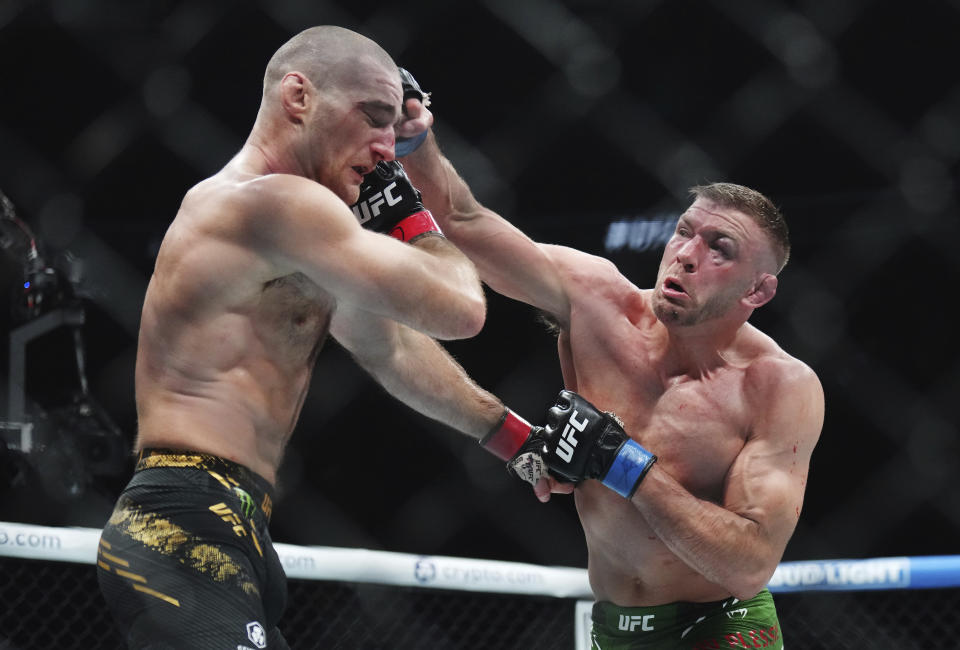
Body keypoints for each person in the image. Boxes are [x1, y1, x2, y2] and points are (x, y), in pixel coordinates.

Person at [96, 26, 540, 649]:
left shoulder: (300, 237)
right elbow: (462, 308)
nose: (388, 150)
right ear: (298, 98)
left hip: (235, 524)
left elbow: (390, 347)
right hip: (183, 521)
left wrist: (515, 438)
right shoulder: (268, 203)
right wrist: (410, 211)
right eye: (373, 118)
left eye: (396, 130)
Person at [401, 129, 825, 649]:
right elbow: (465, 220)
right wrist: (412, 137)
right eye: (684, 232)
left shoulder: (778, 386)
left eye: (720, 249)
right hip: (613, 628)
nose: (687, 255)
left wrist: (623, 464)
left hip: (722, 624)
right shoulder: (595, 300)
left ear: (757, 289)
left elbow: (749, 565)